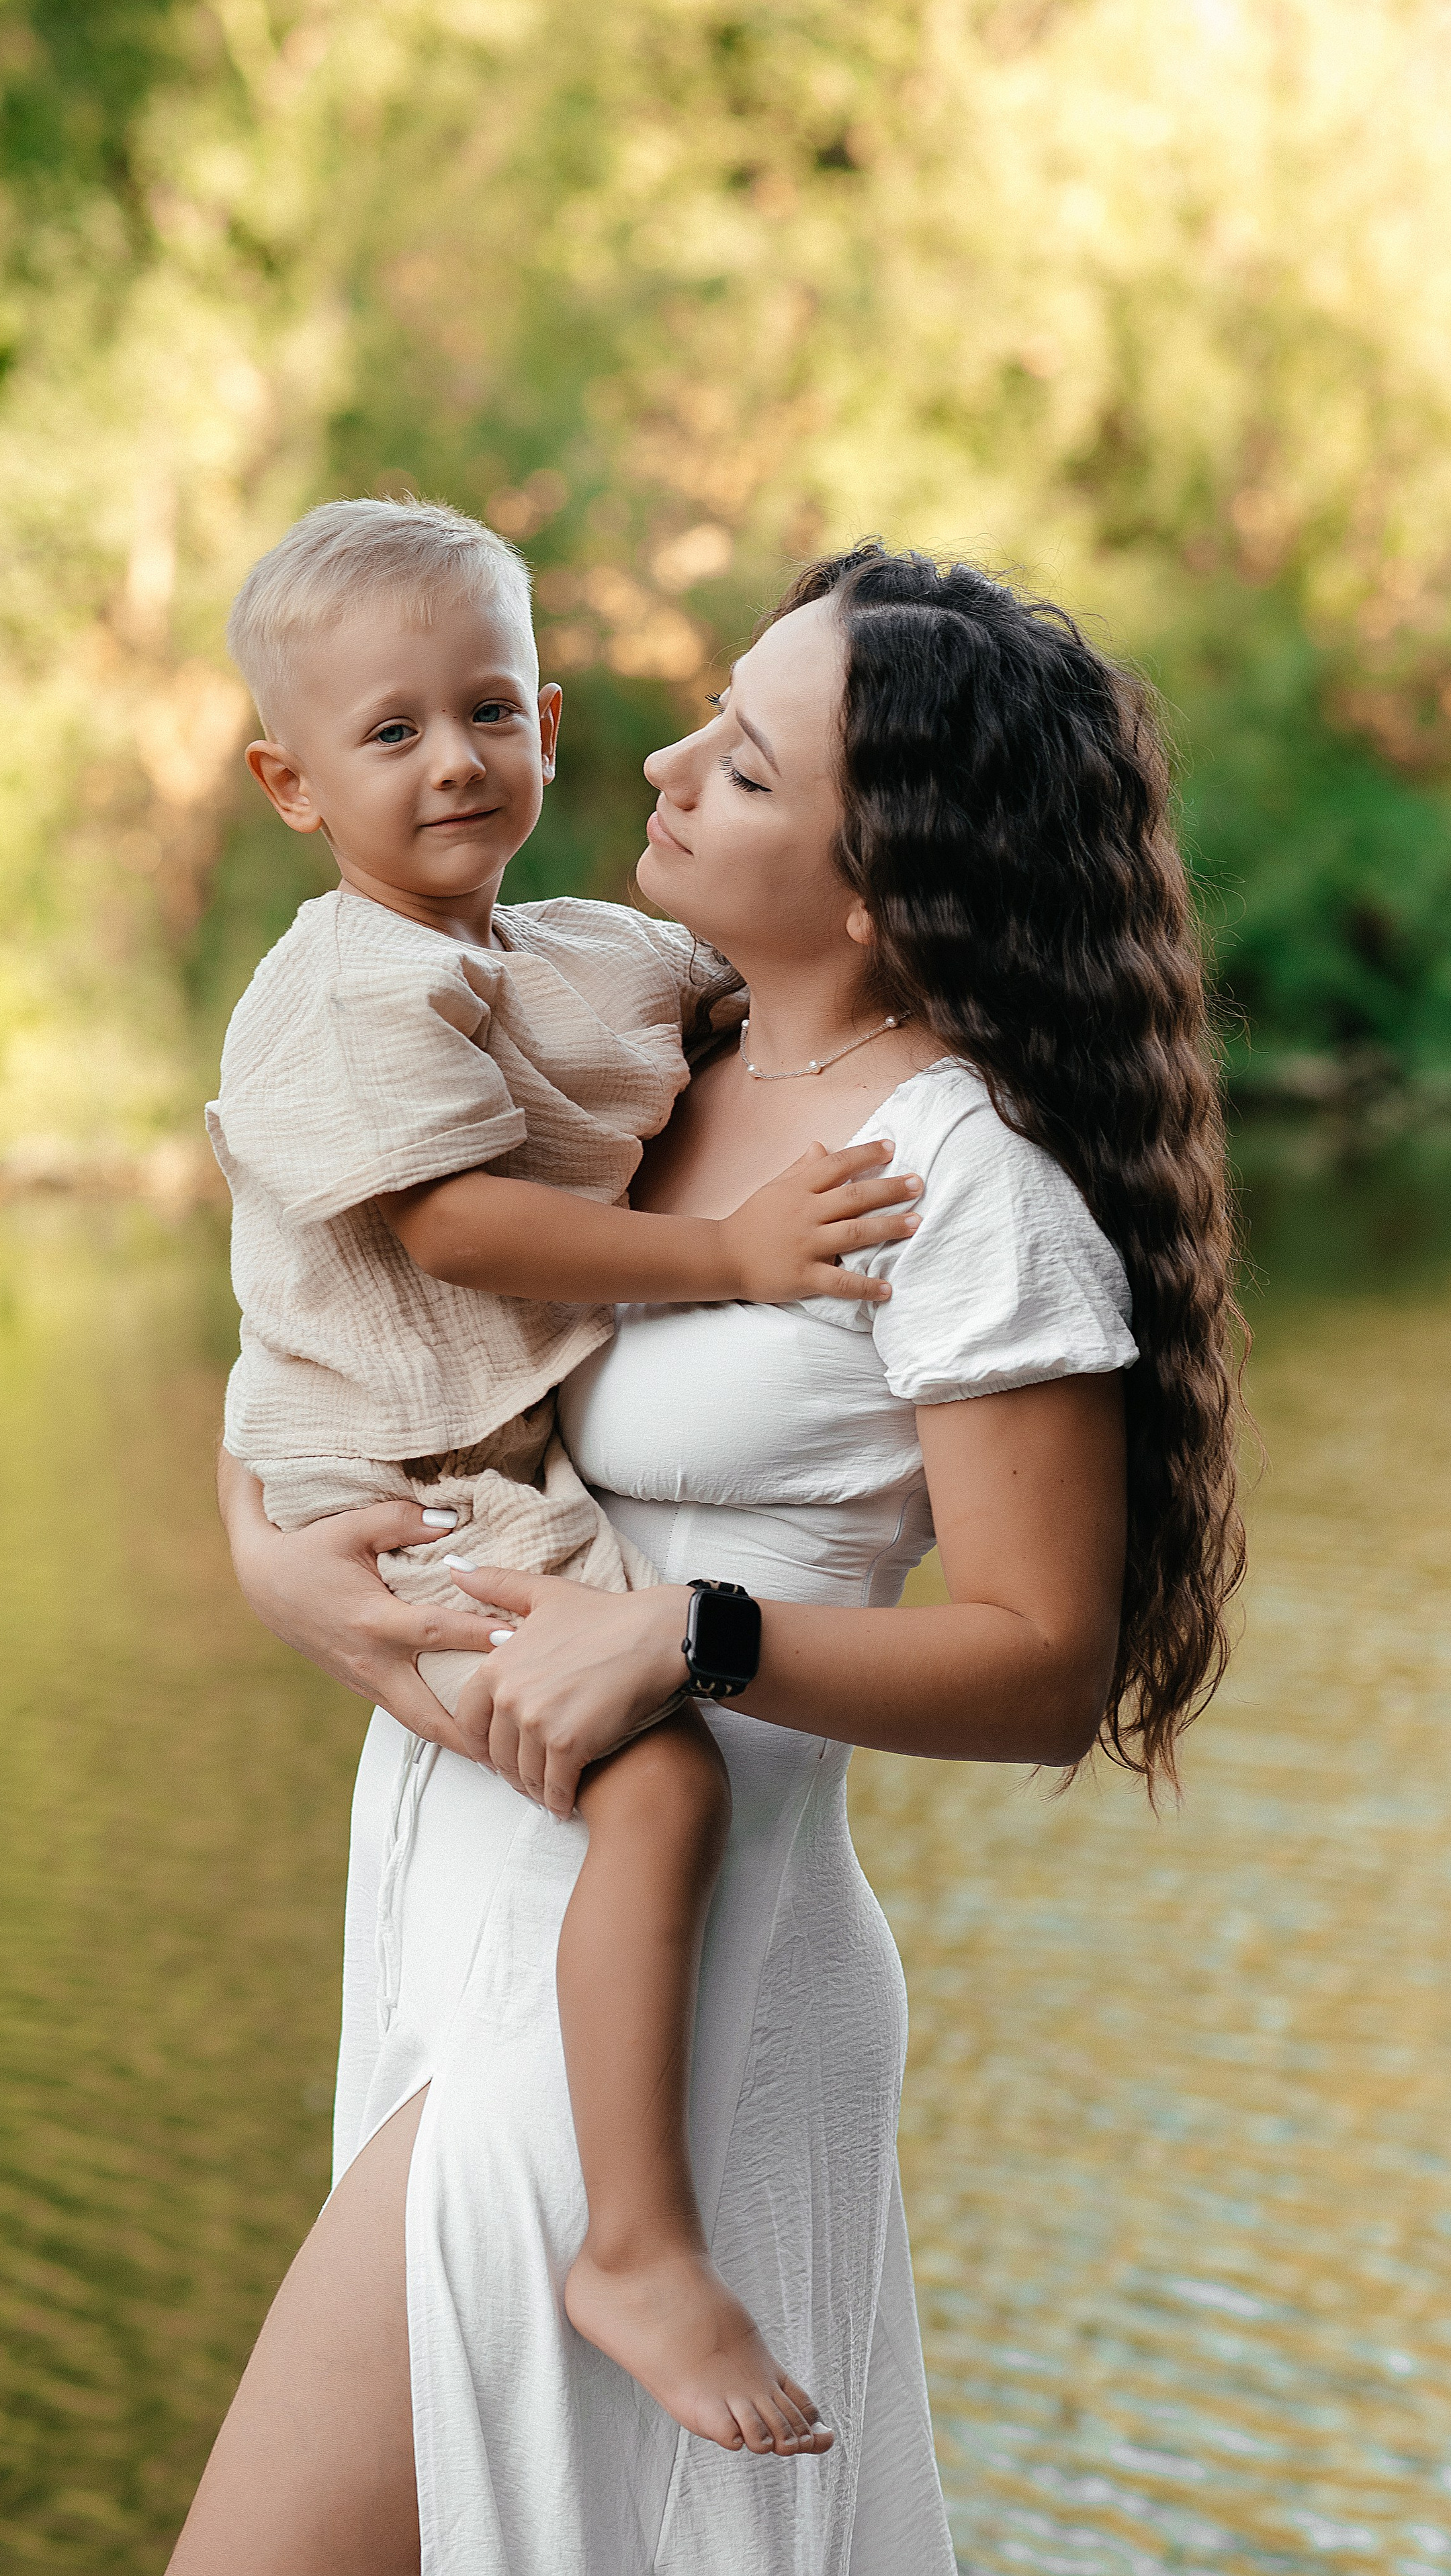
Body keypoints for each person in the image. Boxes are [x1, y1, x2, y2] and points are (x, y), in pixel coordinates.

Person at [171, 543, 1246, 2576]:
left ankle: (641, 2247)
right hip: (462, 1882)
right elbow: (365, 1326)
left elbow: (1043, 1660)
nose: (656, 760)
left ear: (877, 878)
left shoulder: (957, 1183)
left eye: (745, 764)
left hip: (679, 1967)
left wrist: (701, 1626)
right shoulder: (648, 1053)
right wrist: (269, 1559)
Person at [206, 496, 927, 2461]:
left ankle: (619, 2219)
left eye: (493, 708)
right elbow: (449, 1230)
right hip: (417, 1478)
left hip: (494, 1469)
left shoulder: (578, 951)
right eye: (389, 733)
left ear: (541, 718)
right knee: (665, 1767)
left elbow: (740, 1000)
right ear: (290, 782)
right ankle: (634, 2237)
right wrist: (736, 1255)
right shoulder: (354, 990)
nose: (457, 758)